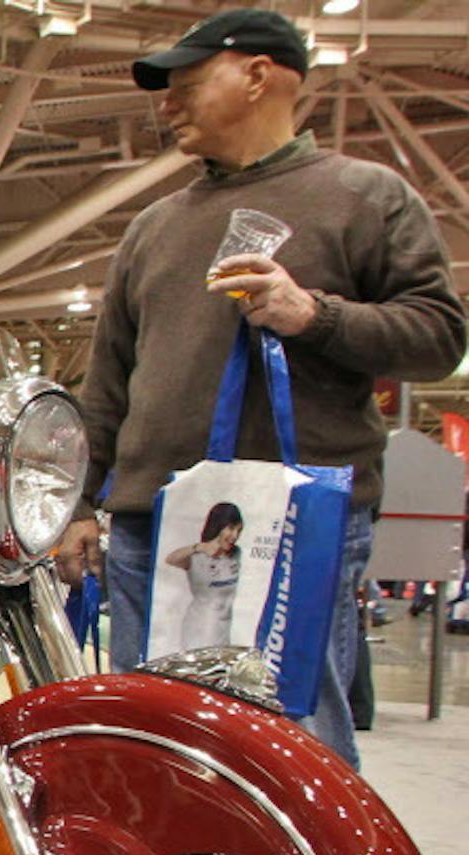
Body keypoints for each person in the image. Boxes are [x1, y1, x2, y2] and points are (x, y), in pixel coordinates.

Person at [55, 7, 467, 768]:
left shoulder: (366, 197)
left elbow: (440, 334)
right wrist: (82, 505)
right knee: (160, 742)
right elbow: (109, 382)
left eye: (188, 82)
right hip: (153, 524)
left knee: (297, 745)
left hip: (296, 523)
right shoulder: (151, 228)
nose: (167, 102)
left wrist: (315, 316)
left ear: (259, 75)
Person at [166, 500, 243, 649]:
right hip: (200, 628)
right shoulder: (197, 557)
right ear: (218, 526)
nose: (235, 536)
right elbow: (171, 559)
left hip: (223, 628)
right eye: (231, 528)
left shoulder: (236, 554)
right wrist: (199, 547)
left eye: (239, 530)